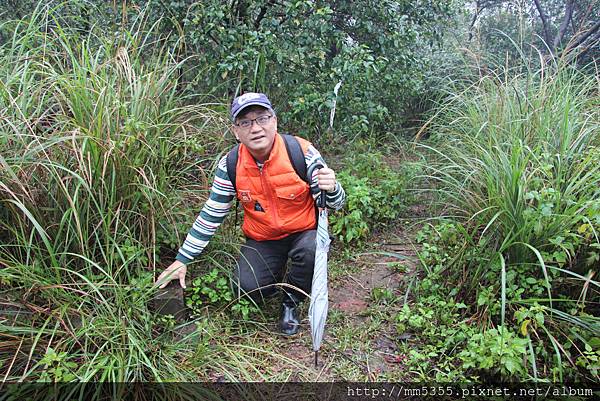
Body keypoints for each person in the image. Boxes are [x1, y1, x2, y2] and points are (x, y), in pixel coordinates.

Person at [156, 92, 345, 335]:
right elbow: (211, 215)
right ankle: (276, 272)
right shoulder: (231, 164)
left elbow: (333, 203)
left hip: (302, 231)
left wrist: (333, 187)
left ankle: (291, 300)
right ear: (236, 131)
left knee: (310, 250)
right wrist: (182, 260)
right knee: (245, 288)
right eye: (245, 122)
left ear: (274, 121)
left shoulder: (301, 151)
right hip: (263, 238)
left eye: (262, 119)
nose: (255, 128)